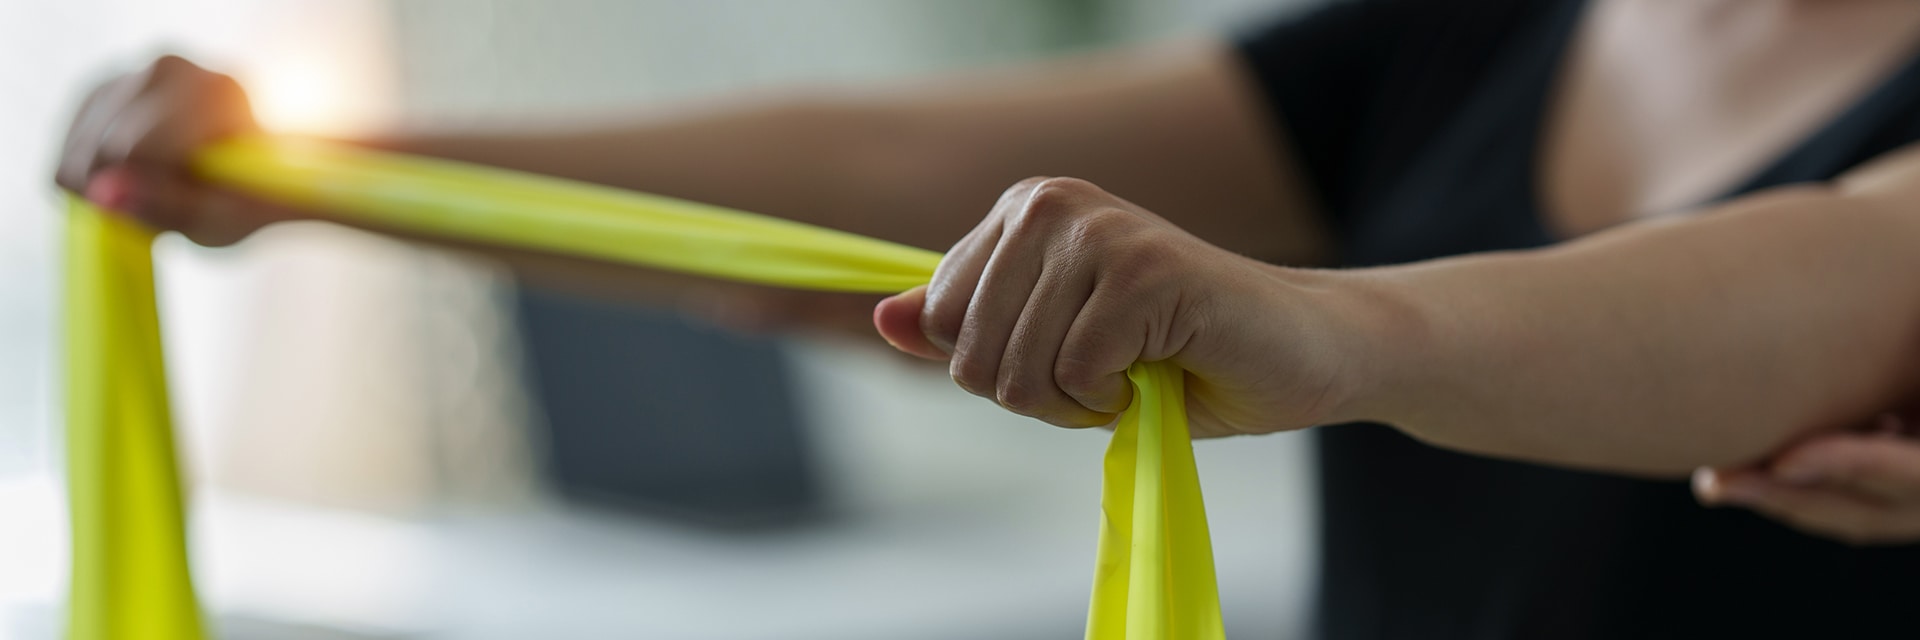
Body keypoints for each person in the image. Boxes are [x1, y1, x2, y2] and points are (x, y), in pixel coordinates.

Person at [55, 0, 1920, 636]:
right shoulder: (1481, 34)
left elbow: (1827, 272)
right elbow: (881, 166)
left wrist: (1324, 334)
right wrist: (317, 169)